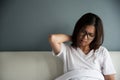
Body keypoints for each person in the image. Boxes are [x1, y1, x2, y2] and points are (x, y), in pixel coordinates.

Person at [48, 13, 116, 80]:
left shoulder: (102, 51)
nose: (85, 38)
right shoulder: (67, 50)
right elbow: (53, 38)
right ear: (78, 29)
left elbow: (110, 78)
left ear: (95, 37)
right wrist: (74, 37)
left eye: (91, 35)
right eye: (83, 32)